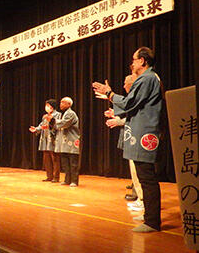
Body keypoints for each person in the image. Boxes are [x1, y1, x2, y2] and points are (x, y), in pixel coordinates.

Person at [93, 47, 162, 233]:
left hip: (144, 133)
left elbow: (130, 103)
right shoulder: (148, 78)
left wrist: (110, 93)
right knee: (143, 176)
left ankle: (153, 221)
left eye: (134, 59)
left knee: (147, 178)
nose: (132, 63)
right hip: (140, 131)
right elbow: (132, 105)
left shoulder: (147, 78)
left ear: (142, 61)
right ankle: (149, 215)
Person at [103, 73, 144, 215]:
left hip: (138, 139)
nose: (124, 85)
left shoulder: (137, 97)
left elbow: (135, 117)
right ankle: (140, 199)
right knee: (134, 172)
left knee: (140, 173)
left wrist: (118, 120)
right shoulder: (132, 99)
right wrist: (115, 114)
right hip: (131, 139)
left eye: (126, 82)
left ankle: (143, 202)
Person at [50, 97, 80, 187]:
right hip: (64, 142)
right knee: (65, 163)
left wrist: (52, 120)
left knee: (73, 163)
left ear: (69, 104)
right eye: (60, 102)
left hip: (72, 141)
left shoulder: (70, 113)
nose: (61, 104)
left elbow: (64, 124)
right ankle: (67, 180)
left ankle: (74, 181)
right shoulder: (64, 114)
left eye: (63, 102)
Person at [29, 99, 61, 183]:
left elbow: (58, 125)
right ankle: (49, 176)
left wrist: (50, 124)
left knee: (55, 158)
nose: (47, 107)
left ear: (52, 106)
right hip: (45, 139)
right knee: (46, 158)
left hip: (53, 139)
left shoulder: (58, 115)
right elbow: (42, 125)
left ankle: (56, 177)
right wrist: (36, 129)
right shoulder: (45, 116)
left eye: (48, 106)